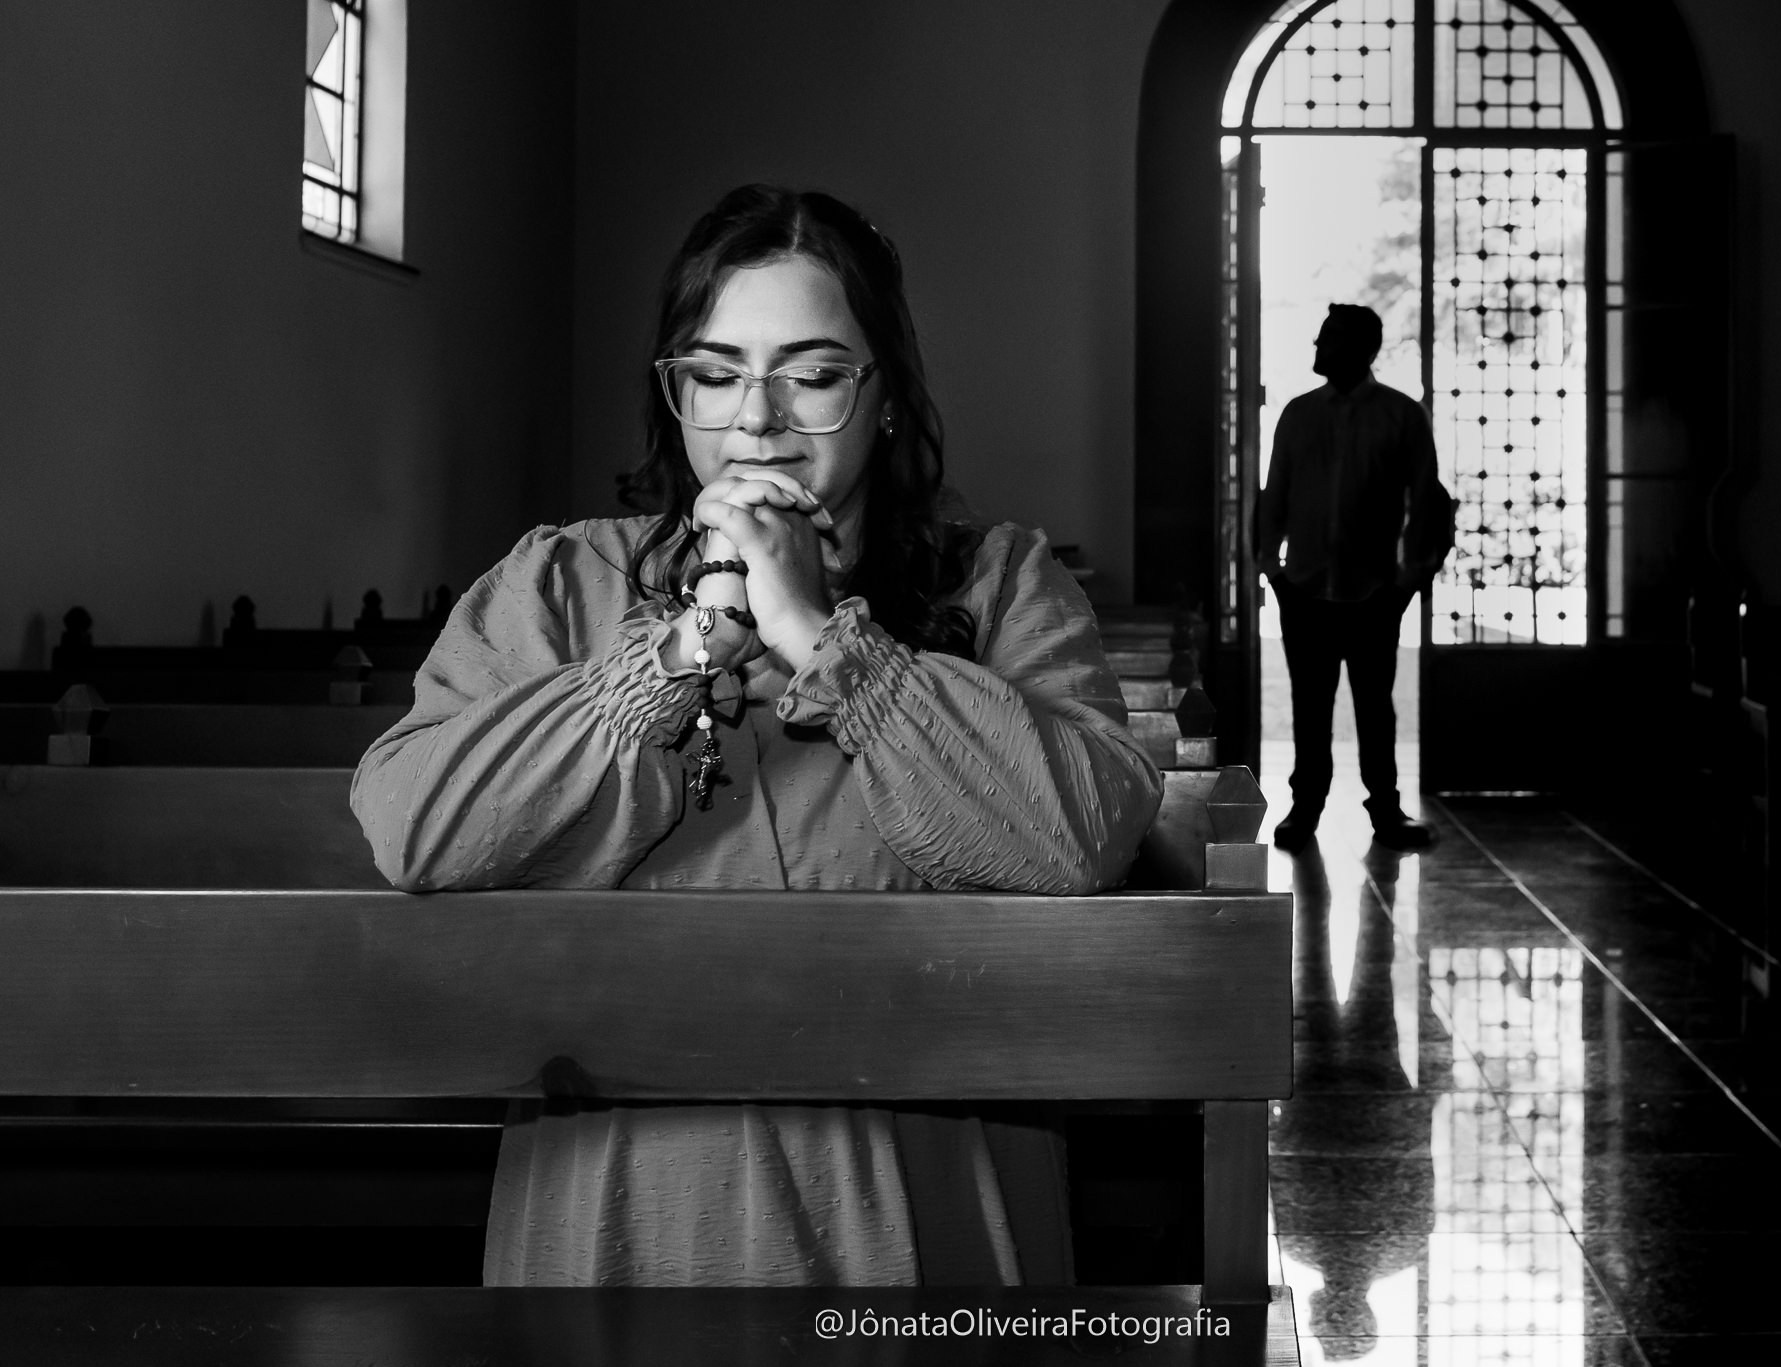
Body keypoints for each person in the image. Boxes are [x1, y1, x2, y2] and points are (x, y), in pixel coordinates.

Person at [350, 185, 1162, 1287]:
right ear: (672, 392)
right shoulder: (560, 578)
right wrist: (686, 647)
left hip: (921, 1172)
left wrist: (820, 636)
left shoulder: (1003, 580)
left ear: (884, 397)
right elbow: (417, 825)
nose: (757, 418)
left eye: (814, 375)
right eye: (716, 372)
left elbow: (1080, 833)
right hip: (625, 1176)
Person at [1255, 303, 1439, 853]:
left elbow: (1425, 499)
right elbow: (1276, 493)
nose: (1315, 346)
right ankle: (1304, 809)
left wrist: (1409, 577)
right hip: (1306, 588)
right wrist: (1271, 566)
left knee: (1374, 705)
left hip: (1374, 591)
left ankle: (1385, 811)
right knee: (1310, 705)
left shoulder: (1402, 416)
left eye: (1327, 339)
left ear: (1361, 349)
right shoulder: (1297, 414)